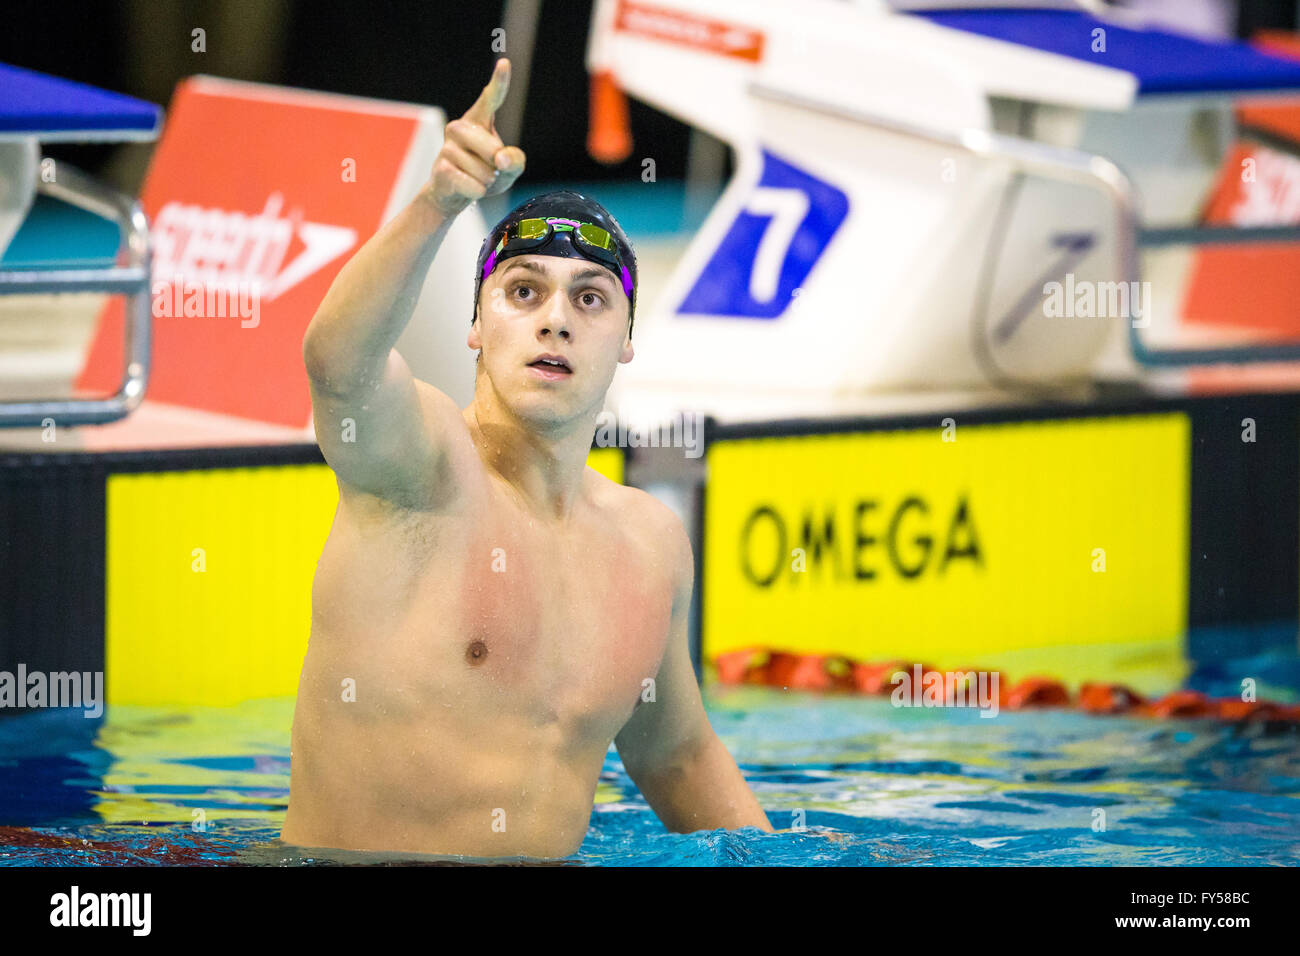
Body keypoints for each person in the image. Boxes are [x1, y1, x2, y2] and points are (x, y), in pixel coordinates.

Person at [281, 57, 772, 859]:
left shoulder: (649, 545)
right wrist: (439, 205)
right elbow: (339, 364)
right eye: (522, 291)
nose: (555, 322)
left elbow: (676, 755)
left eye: (589, 298)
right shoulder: (424, 468)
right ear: (476, 325)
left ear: (627, 339)